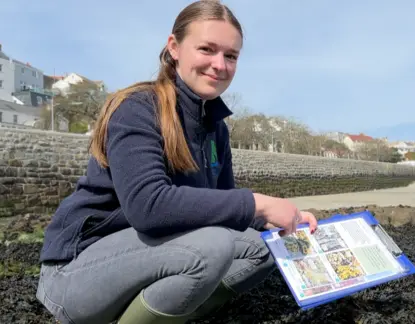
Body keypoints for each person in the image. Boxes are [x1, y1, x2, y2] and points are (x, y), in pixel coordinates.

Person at [35, 1, 318, 323]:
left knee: (267, 248)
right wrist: (258, 204)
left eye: (231, 56)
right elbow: (148, 206)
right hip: (74, 274)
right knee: (211, 246)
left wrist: (280, 221)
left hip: (152, 258)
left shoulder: (216, 127)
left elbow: (223, 205)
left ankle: (174, 316)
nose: (219, 65)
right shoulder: (138, 107)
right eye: (207, 49)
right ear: (174, 48)